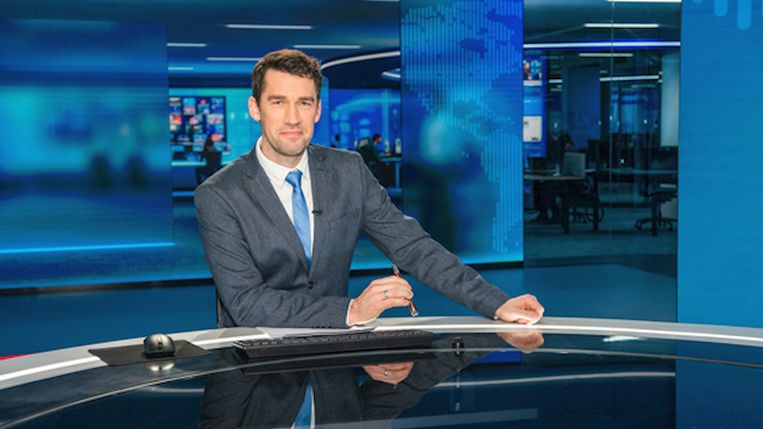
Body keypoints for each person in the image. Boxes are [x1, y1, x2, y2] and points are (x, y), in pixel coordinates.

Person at [194, 49, 544, 329]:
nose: (292, 118)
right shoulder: (219, 194)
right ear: (255, 108)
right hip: (253, 362)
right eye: (278, 102)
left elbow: (413, 247)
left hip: (332, 351)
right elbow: (245, 302)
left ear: (318, 110)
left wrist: (496, 303)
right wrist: (352, 310)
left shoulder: (348, 170)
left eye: (304, 102)